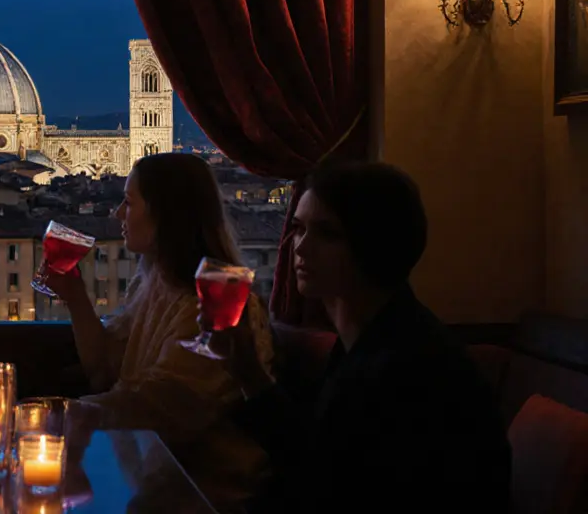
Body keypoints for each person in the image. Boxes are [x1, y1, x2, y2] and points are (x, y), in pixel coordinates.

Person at [205, 161, 511, 513]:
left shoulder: (407, 371)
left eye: (327, 233)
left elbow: (325, 486)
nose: (300, 248)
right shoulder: (375, 341)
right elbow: (318, 456)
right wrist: (246, 369)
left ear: (375, 243)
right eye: (299, 229)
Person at [46, 153, 275, 510]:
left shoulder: (217, 306)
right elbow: (103, 370)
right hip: (153, 483)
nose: (118, 214)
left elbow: (162, 405)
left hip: (207, 496)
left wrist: (68, 413)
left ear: (166, 215)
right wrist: (75, 296)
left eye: (129, 202)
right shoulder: (153, 281)